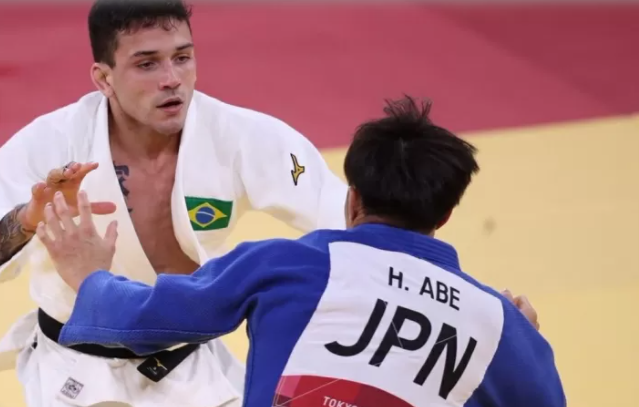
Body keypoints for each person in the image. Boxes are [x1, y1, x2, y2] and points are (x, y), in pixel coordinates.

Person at [0, 1, 348, 406]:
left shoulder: (240, 136)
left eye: (182, 58)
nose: (172, 79)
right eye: (147, 64)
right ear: (104, 78)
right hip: (76, 371)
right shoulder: (52, 142)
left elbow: (346, 215)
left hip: (190, 369)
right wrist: (27, 220)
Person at [37, 96, 565, 407]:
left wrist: (90, 279)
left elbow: (148, 320)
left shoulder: (288, 264)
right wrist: (518, 341)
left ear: (352, 199)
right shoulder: (497, 323)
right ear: (445, 216)